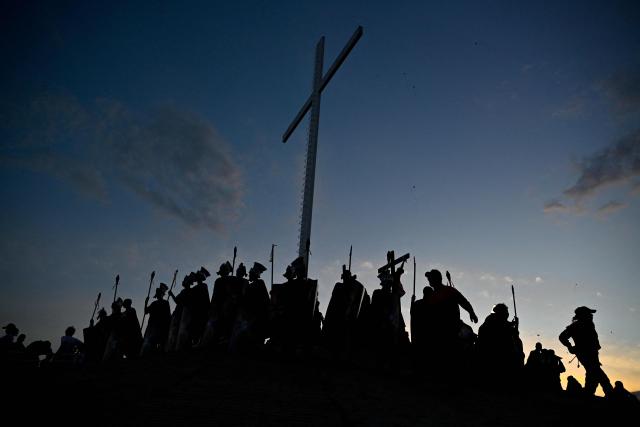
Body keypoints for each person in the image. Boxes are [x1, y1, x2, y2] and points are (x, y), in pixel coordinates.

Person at [424, 269, 478, 368]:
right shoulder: (431, 297)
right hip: (439, 330)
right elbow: (428, 315)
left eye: (430, 278)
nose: (429, 281)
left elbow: (463, 301)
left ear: (437, 279)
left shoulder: (449, 291)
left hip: (453, 327)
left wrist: (472, 312)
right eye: (428, 279)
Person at [559, 306, 613, 396]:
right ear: (583, 315)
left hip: (592, 353)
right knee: (597, 372)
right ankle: (610, 393)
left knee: (592, 373)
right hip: (585, 353)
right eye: (589, 313)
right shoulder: (575, 327)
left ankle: (588, 392)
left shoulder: (589, 324)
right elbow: (562, 337)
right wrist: (570, 346)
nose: (591, 315)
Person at [476, 303, 524, 386]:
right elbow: (502, 332)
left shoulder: (503, 323)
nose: (507, 314)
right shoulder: (492, 320)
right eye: (506, 312)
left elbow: (515, 335)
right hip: (493, 352)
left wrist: (516, 326)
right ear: (500, 312)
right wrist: (513, 326)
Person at [140, 283, 171, 356]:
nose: (158, 295)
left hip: (160, 326)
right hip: (152, 326)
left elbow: (168, 315)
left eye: (159, 293)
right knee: (150, 342)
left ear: (162, 294)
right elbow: (146, 312)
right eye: (158, 294)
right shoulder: (154, 303)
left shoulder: (165, 303)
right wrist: (145, 303)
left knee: (159, 342)